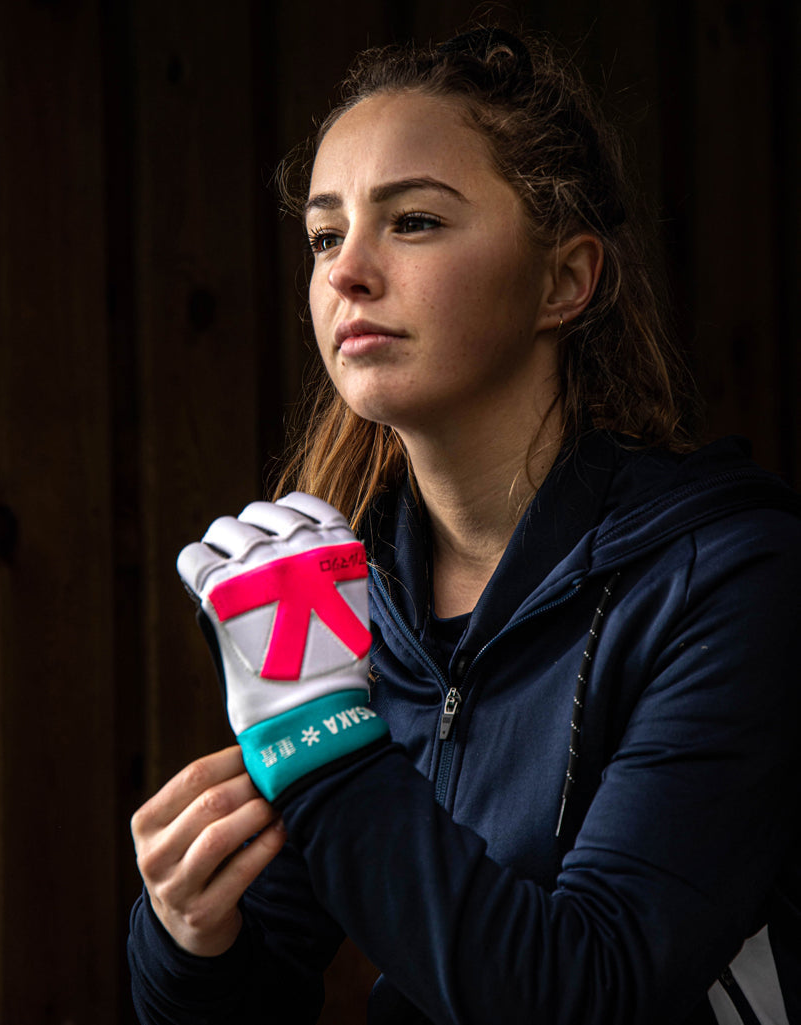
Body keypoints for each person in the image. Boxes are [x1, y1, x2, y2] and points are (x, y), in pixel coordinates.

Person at [127, 26, 801, 1025]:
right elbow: (253, 989)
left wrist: (321, 743)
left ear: (564, 280)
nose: (346, 273)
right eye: (324, 235)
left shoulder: (728, 578)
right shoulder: (348, 596)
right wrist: (188, 934)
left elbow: (589, 990)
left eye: (413, 221)